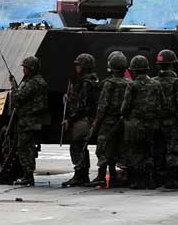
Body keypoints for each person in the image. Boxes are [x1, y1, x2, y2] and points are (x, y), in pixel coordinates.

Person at [85, 51, 130, 187]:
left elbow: (103, 105)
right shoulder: (129, 83)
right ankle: (114, 175)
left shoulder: (108, 84)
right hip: (122, 121)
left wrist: (96, 122)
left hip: (108, 121)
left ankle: (101, 175)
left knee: (103, 148)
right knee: (118, 147)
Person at [121, 55, 163, 189]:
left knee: (136, 153)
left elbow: (125, 107)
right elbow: (162, 104)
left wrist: (127, 117)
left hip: (136, 125)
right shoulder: (156, 84)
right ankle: (151, 180)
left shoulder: (132, 85)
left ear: (134, 70)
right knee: (151, 151)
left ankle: (138, 181)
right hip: (153, 124)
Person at [61, 53, 99, 188]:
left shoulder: (85, 83)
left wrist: (70, 120)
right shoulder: (92, 80)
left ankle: (80, 175)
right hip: (88, 119)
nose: (76, 67)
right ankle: (82, 175)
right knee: (81, 147)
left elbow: (81, 105)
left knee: (77, 145)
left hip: (83, 120)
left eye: (79, 65)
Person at [9, 56, 48, 186]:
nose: (23, 70)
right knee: (28, 147)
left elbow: (19, 97)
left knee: (24, 148)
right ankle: (28, 174)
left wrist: (14, 86)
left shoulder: (33, 83)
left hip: (28, 120)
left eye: (25, 68)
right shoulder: (38, 81)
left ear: (31, 69)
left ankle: (27, 175)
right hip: (32, 119)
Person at [153, 49, 178, 190]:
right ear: (172, 64)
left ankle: (157, 178)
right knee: (172, 150)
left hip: (156, 122)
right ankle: (170, 179)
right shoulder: (175, 82)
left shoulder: (153, 82)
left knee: (158, 149)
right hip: (171, 122)